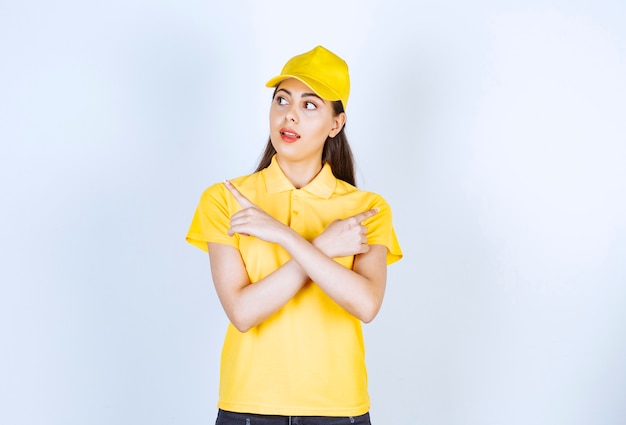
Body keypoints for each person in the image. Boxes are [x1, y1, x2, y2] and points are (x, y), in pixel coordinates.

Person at [186, 45, 402, 425]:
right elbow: (242, 312)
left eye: (310, 105)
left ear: (336, 124)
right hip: (249, 406)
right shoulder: (225, 199)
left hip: (339, 409)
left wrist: (284, 237)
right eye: (282, 100)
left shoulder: (367, 208)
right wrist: (321, 247)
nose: (290, 115)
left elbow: (366, 305)